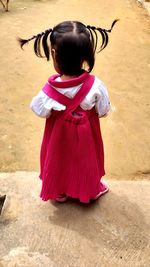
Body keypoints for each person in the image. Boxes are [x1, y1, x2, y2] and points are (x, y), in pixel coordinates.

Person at [19, 20, 118, 203]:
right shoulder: (95, 86)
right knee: (85, 162)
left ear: (54, 54)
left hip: (58, 140)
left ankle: (59, 191)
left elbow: (39, 110)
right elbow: (103, 110)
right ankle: (90, 190)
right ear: (86, 56)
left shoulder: (48, 92)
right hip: (87, 137)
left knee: (59, 161)